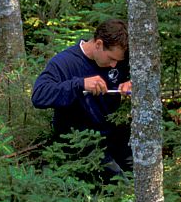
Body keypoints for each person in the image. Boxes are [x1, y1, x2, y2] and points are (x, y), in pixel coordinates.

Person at [31, 19, 132, 177]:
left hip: (115, 134)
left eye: (117, 61)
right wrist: (80, 84)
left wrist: (132, 84)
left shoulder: (119, 59)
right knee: (118, 181)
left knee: (140, 172)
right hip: (80, 141)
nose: (114, 65)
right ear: (98, 44)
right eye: (111, 59)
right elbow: (39, 96)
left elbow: (141, 76)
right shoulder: (64, 63)